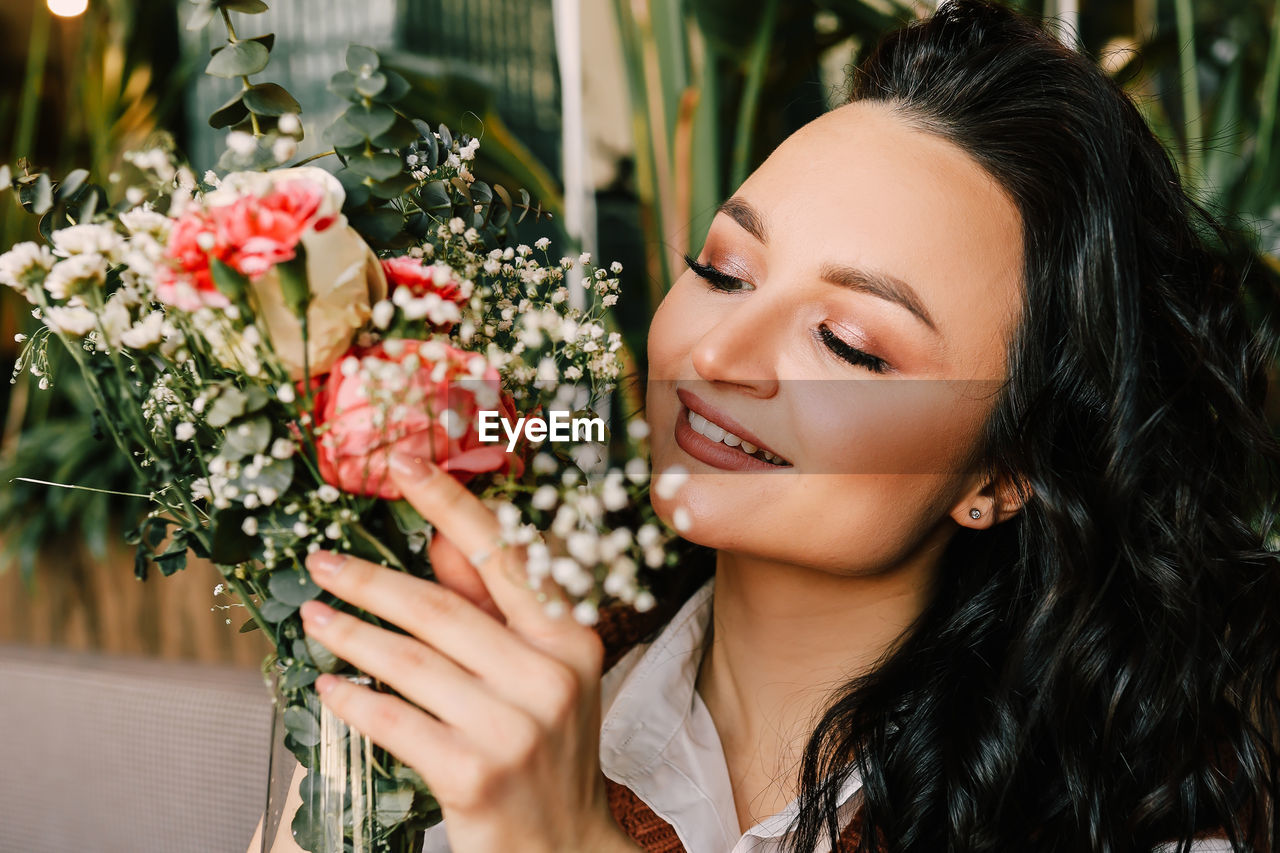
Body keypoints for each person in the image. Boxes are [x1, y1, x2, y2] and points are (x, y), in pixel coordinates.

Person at [248, 1, 1280, 851]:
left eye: (846, 341)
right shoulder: (500, 674)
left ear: (1001, 472)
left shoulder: (1139, 824)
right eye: (722, 270)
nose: (715, 355)